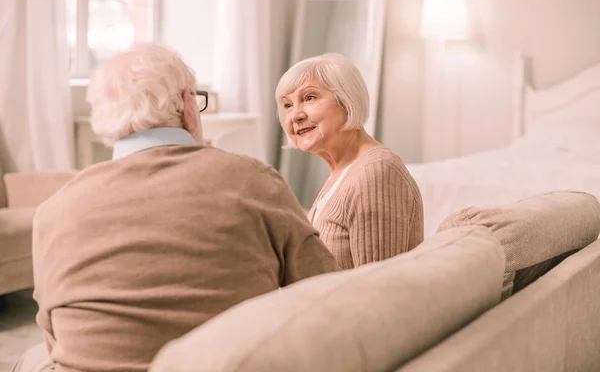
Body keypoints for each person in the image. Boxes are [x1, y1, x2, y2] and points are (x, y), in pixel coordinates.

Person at [13, 43, 340, 372]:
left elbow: (56, 336)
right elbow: (327, 293)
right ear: (188, 105)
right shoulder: (254, 181)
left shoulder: (54, 211)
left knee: (31, 358)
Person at [275, 53, 424, 270]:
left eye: (309, 98)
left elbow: (378, 289)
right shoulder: (342, 173)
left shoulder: (377, 172)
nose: (295, 115)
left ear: (347, 100)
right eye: (287, 105)